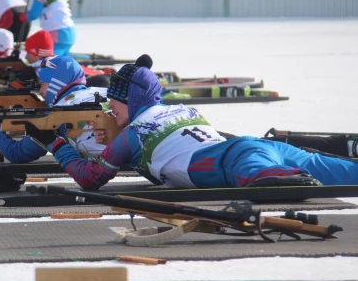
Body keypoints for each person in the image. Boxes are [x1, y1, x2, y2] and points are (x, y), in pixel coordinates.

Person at [23, 55, 358, 190]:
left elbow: (90, 179)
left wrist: (55, 144)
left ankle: (278, 176)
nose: (110, 105)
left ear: (134, 100)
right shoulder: (180, 109)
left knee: (261, 177)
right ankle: (282, 170)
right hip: (247, 146)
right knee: (345, 171)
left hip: (235, 159)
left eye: (116, 100)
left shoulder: (136, 132)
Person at [0, 30, 108, 163]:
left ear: (56, 83)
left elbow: (16, 154)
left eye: (43, 84)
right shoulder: (103, 93)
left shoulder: (57, 113)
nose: (41, 91)